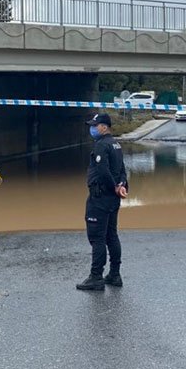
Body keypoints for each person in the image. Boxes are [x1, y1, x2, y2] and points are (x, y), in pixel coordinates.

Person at [77, 113, 129, 291]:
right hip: (112, 199)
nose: (92, 128)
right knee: (111, 235)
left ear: (104, 127)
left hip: (100, 198)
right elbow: (122, 170)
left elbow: (102, 171)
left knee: (97, 238)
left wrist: (115, 186)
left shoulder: (101, 145)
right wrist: (122, 185)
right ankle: (114, 274)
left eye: (95, 125)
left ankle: (96, 277)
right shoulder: (116, 145)